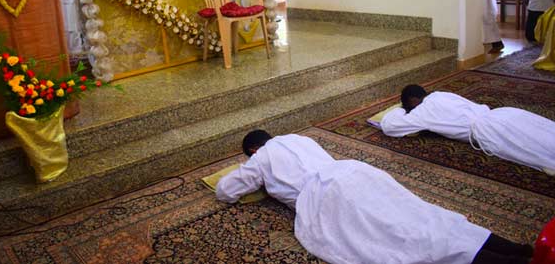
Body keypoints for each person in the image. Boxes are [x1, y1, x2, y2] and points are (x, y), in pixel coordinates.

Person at [217, 130, 534, 264]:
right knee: (423, 215)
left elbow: (225, 191)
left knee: (401, 237)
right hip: (355, 171)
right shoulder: (299, 137)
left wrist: (249, 171)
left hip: (329, 194)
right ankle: (513, 250)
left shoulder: (260, 158)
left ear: (253, 150)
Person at [381, 84, 555, 174]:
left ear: (413, 101)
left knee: (531, 146)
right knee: (540, 131)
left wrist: (400, 109)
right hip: (502, 113)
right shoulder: (441, 94)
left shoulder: (421, 113)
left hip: (489, 130)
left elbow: (389, 126)